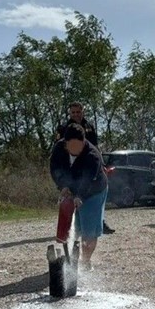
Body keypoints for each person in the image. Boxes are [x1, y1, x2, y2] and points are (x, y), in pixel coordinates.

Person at [49, 126, 108, 269]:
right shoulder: (58, 149)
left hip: (93, 191)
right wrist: (62, 186)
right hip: (71, 187)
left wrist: (79, 196)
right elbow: (55, 169)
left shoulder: (92, 155)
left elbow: (88, 181)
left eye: (78, 147)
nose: (75, 151)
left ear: (84, 142)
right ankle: (70, 260)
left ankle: (85, 263)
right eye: (71, 147)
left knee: (88, 230)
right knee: (73, 228)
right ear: (65, 143)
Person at [58, 102, 115, 235]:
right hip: (71, 169)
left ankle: (100, 221)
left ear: (82, 112)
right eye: (73, 112)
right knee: (71, 197)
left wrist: (101, 164)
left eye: (78, 112)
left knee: (95, 194)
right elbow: (60, 152)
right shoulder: (64, 129)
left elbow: (95, 147)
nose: (76, 115)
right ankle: (69, 228)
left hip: (89, 166)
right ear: (69, 114)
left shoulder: (89, 127)